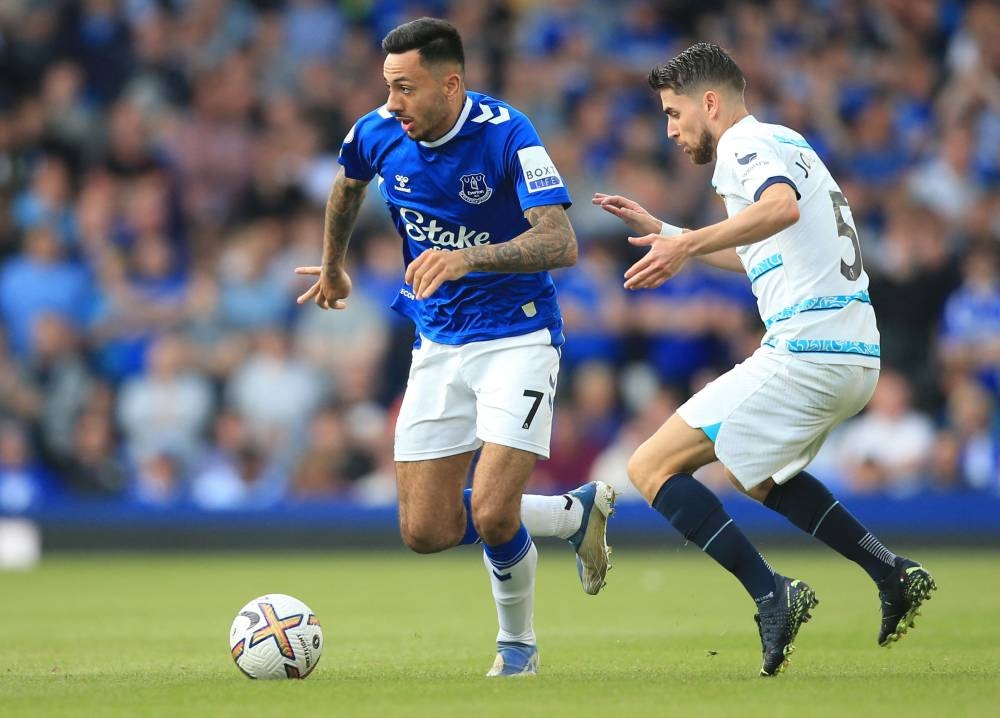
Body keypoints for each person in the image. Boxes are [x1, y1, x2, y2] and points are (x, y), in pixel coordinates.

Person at [594, 42, 936, 677]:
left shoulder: (742, 148)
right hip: (854, 354)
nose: (670, 130)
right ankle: (890, 571)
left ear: (711, 103)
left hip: (806, 350)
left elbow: (781, 207)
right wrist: (672, 234)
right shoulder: (786, 142)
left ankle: (770, 592)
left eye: (674, 113)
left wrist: (688, 241)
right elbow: (762, 245)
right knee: (759, 473)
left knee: (650, 465)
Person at [295, 17, 615, 677]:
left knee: (495, 514)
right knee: (425, 530)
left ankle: (516, 649)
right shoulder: (377, 131)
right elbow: (347, 184)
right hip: (436, 341)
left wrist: (469, 260)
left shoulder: (507, 134)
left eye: (406, 88)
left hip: (518, 337)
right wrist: (332, 266)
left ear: (451, 82)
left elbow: (562, 242)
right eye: (388, 87)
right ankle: (570, 515)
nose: (393, 103)